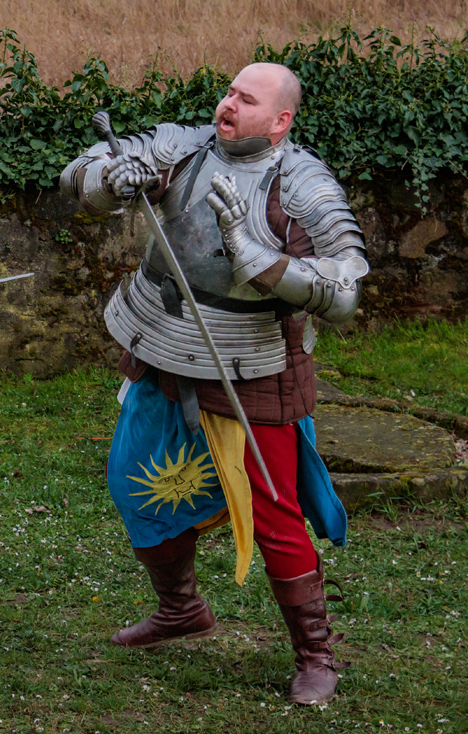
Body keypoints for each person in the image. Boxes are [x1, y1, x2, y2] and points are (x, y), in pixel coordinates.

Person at [60, 63, 369, 705]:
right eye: (229, 92)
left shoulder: (302, 183)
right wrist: (109, 180)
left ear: (281, 120)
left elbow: (344, 290)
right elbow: (81, 175)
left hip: (250, 360)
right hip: (161, 340)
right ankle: (180, 609)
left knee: (276, 514)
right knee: (133, 475)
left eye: (245, 99)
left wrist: (256, 259)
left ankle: (316, 654)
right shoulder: (185, 146)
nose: (227, 105)